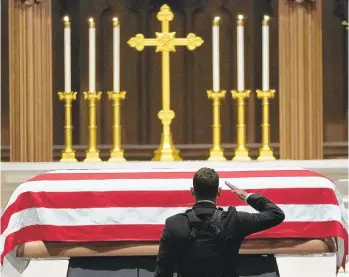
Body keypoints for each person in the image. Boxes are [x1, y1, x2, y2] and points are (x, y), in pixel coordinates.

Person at [154, 167, 285, 277]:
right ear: (219, 192)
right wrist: (247, 196)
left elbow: (163, 271)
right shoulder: (234, 220)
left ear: (192, 191)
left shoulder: (174, 224)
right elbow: (276, 214)